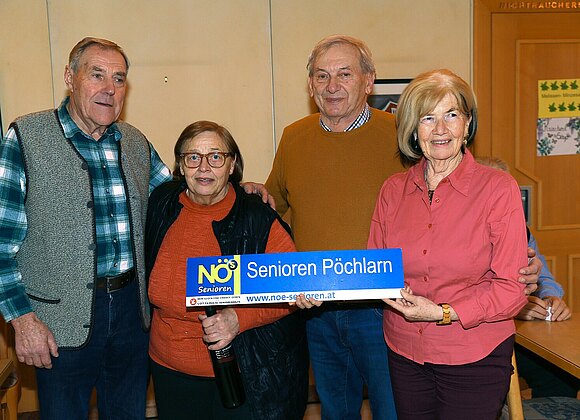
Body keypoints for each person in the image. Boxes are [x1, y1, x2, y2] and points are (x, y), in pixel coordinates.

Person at [252, 35, 542, 419]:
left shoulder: (398, 133)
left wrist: (525, 263)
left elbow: (481, 217)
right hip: (336, 314)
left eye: (344, 74)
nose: (332, 85)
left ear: (368, 81)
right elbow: (276, 210)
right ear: (310, 84)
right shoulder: (296, 138)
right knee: (336, 411)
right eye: (321, 75)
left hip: (388, 314)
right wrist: (248, 195)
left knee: (389, 411)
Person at [0, 37, 173, 418]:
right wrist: (22, 320)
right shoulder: (26, 137)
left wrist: (237, 189)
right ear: (70, 77)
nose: (109, 88)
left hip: (132, 314)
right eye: (97, 75)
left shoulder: (134, 142)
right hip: (57, 322)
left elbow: (179, 199)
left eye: (119, 78)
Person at [368, 69, 530, 419]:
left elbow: (512, 289)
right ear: (413, 129)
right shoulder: (392, 191)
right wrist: (319, 288)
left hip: (474, 354)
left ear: (467, 124)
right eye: (428, 118)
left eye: (452, 115)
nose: (440, 129)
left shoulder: (498, 189)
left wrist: (443, 312)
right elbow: (374, 270)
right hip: (405, 351)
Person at [145, 120, 311, 420]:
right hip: (168, 370)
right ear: (180, 165)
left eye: (216, 157)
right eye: (192, 157)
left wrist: (238, 318)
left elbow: (292, 289)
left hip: (242, 370)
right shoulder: (160, 204)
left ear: (232, 164)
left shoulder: (257, 218)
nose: (204, 167)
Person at [476, 156, 579, 398]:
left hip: (516, 336)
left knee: (560, 378)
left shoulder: (520, 230)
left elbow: (544, 278)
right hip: (476, 339)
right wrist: (513, 306)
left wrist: (552, 298)